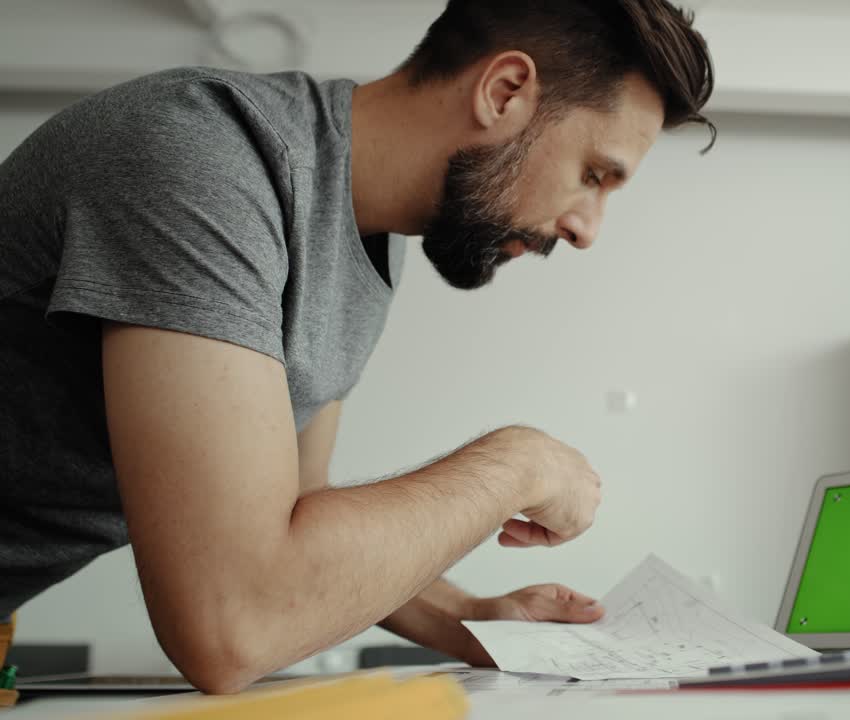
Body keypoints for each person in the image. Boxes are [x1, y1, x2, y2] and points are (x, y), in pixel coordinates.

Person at [0, 0, 714, 693]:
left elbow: (294, 519)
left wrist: (466, 619)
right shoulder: (202, 157)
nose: (589, 228)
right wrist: (515, 465)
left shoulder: (368, 239)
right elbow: (233, 622)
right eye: (596, 174)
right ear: (505, 91)